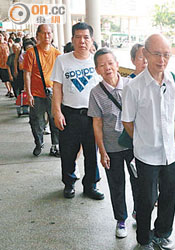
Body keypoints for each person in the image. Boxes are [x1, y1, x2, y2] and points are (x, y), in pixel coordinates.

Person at [121, 34, 175, 250]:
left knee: (169, 196)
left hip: (173, 153)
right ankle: (144, 239)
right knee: (146, 200)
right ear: (145, 54)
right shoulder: (133, 86)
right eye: (156, 54)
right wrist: (143, 139)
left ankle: (162, 233)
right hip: (146, 154)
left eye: (166, 54)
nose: (162, 60)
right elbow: (128, 122)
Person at [88, 48, 139, 238]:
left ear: (117, 64)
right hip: (112, 147)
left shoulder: (132, 85)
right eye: (102, 65)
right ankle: (121, 220)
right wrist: (102, 151)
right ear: (97, 70)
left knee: (138, 182)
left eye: (110, 63)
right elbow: (97, 124)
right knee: (116, 185)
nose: (107, 68)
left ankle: (139, 213)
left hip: (134, 145)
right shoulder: (96, 93)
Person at [51, 22, 103, 200]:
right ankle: (69, 183)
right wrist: (57, 112)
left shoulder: (97, 61)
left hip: (92, 117)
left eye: (86, 37)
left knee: (91, 153)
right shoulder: (62, 60)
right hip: (70, 114)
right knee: (68, 152)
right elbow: (57, 87)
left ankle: (91, 185)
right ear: (72, 39)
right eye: (78, 37)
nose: (82, 41)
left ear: (92, 40)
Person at [22, 24, 61, 157]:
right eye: (43, 33)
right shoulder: (31, 53)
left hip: (53, 94)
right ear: (37, 36)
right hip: (37, 94)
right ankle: (39, 143)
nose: (47, 36)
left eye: (49, 33)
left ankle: (55, 146)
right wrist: (29, 93)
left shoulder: (57, 54)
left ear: (52, 35)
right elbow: (26, 74)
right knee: (36, 121)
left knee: (54, 120)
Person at [0, 32, 14, 97]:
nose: (0, 37)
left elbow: (13, 51)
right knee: (5, 79)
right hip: (1, 65)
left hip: (9, 63)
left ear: (3, 37)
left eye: (1, 36)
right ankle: (9, 90)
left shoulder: (8, 44)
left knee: (10, 78)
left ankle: (11, 90)